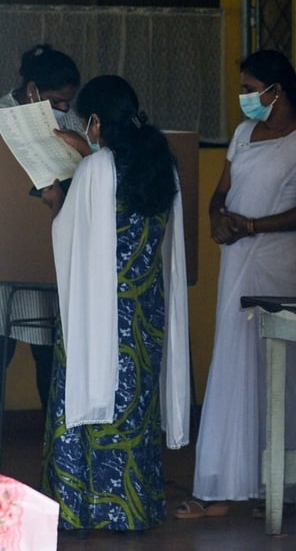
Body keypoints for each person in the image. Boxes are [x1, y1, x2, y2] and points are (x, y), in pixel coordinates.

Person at [39, 75, 190, 535]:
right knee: (134, 403)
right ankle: (132, 506)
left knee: (87, 395)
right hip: (144, 311)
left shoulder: (95, 169)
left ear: (97, 122)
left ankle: (83, 506)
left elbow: (73, 235)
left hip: (96, 310)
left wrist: (53, 201)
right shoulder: (162, 166)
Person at [177, 50, 296, 519]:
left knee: (282, 366)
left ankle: (283, 485)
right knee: (233, 359)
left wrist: (253, 226)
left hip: (277, 264)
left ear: (277, 91)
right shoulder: (242, 133)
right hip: (236, 260)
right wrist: (218, 217)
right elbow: (221, 190)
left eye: (251, 88)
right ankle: (230, 482)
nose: (244, 97)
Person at [0, 44, 85, 412]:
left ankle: (54, 452)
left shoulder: (71, 123)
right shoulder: (2, 117)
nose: (64, 110)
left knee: (48, 355)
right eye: (56, 101)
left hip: (49, 250)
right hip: (6, 252)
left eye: (69, 102)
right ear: (32, 90)